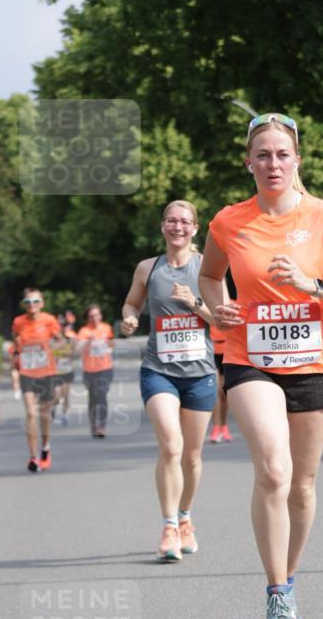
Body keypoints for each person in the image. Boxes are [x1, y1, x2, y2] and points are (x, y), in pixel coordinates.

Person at [199, 112, 323, 619]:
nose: (273, 163)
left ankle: (289, 581)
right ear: (248, 163)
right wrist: (218, 309)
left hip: (314, 361)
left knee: (302, 484)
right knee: (273, 471)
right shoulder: (228, 221)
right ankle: (276, 593)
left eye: (282, 154)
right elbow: (209, 276)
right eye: (263, 155)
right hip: (250, 358)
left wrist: (310, 283)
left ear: (297, 161)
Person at [121, 200, 217, 562]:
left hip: (200, 374)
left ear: (195, 228)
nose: (178, 227)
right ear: (162, 226)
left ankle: (185, 516)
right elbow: (131, 304)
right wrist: (130, 318)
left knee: (191, 456)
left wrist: (194, 302)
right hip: (158, 369)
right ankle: (168, 527)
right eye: (171, 221)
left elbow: (222, 318)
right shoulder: (148, 268)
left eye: (185, 222)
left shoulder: (208, 268)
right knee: (171, 447)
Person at [11, 288, 62, 472]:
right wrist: (16, 358)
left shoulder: (49, 320)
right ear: (23, 304)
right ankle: (33, 457)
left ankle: (45, 448)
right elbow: (16, 344)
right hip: (27, 373)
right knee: (31, 413)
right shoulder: (18, 322)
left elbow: (60, 341)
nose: (31, 305)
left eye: (35, 301)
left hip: (46, 371)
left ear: (42, 303)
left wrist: (57, 344)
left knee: (44, 414)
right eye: (27, 302)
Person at [76, 305, 114, 437]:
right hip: (89, 370)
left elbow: (111, 344)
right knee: (93, 399)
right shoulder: (84, 331)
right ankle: (93, 424)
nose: (94, 318)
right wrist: (88, 341)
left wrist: (108, 347)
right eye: (91, 316)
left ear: (100, 316)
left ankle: (101, 426)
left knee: (102, 396)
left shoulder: (106, 328)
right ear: (88, 318)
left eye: (96, 315)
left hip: (105, 368)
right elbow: (78, 350)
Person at [208, 288, 233, 444]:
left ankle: (224, 426)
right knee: (215, 391)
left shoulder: (233, 304)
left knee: (225, 393)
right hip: (211, 351)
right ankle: (216, 428)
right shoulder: (205, 305)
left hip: (228, 352)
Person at [52, 309, 77, 425]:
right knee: (57, 395)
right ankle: (54, 407)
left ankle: (65, 414)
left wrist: (64, 354)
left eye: (62, 325)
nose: (60, 327)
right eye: (58, 325)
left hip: (67, 370)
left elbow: (73, 354)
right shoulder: (51, 340)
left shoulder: (70, 340)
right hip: (55, 372)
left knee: (66, 395)